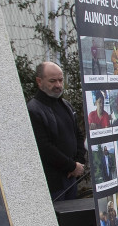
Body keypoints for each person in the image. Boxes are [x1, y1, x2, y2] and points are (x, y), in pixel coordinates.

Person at [27, 62, 86, 201]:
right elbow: (44, 147)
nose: (58, 85)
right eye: (52, 81)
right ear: (39, 81)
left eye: (60, 80)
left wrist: (78, 162)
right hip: (53, 183)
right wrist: (71, 166)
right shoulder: (34, 110)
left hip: (71, 178)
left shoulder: (66, 105)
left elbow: (78, 134)